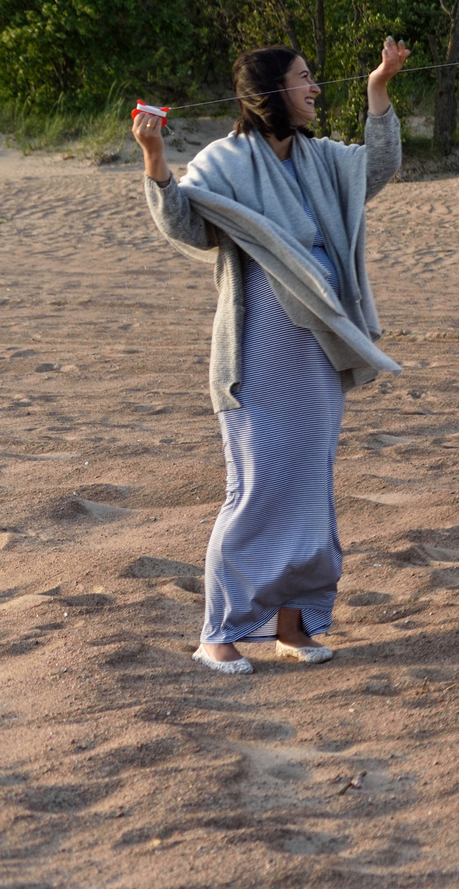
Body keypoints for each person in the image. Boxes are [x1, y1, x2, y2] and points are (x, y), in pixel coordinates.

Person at [138, 40, 410, 675]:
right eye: (304, 80)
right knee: (258, 488)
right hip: (258, 345)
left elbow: (379, 167)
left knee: (310, 489)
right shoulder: (225, 161)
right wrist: (155, 159)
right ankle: (218, 633)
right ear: (270, 93)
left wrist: (379, 87)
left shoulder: (321, 159)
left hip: (317, 346)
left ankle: (293, 626)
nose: (315, 89)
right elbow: (184, 224)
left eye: (314, 78)